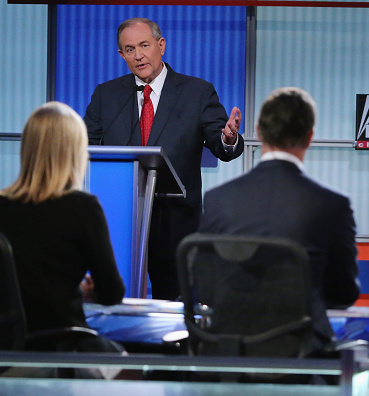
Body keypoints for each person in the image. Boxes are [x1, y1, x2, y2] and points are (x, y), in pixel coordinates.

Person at [84, 18, 244, 300]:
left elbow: (221, 145)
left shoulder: (197, 92)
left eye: (144, 45)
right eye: (129, 49)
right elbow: (85, 147)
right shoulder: (106, 95)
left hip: (175, 220)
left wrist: (228, 138)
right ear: (121, 55)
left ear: (161, 45)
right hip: (120, 217)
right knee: (113, 298)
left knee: (172, 303)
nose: (138, 55)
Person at [199, 87, 360, 350]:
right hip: (303, 352)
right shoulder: (332, 205)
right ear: (309, 137)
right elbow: (343, 293)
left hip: (230, 350)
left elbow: (205, 288)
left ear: (259, 131)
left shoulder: (218, 200)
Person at [0, 102, 125, 353]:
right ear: (74, 152)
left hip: (7, 348)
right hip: (62, 347)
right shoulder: (83, 208)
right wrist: (87, 291)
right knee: (135, 372)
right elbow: (111, 293)